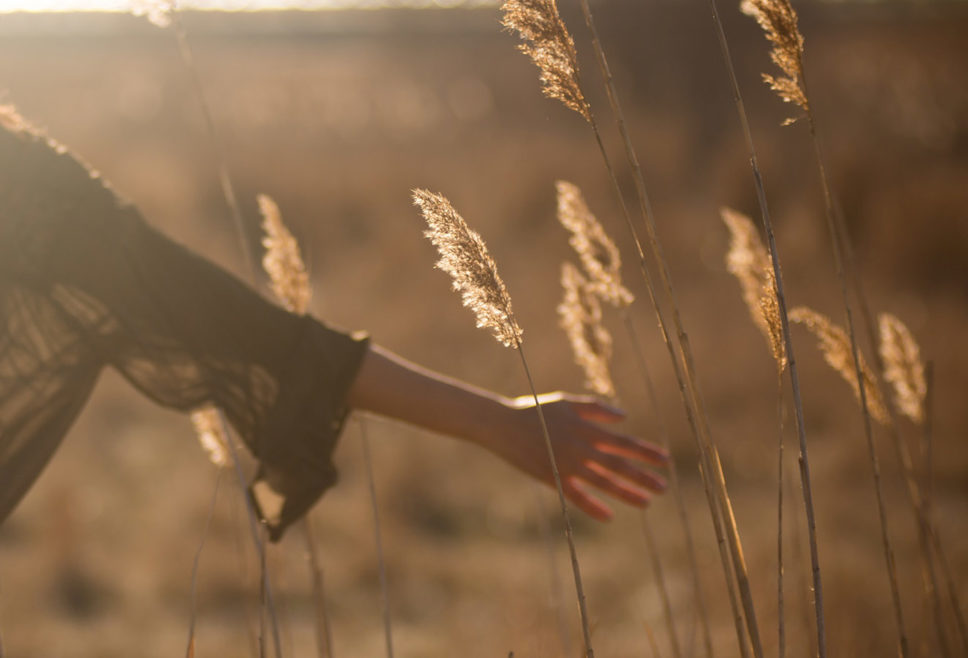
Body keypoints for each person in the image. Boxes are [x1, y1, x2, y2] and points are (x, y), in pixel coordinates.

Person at [0, 105, 667, 541]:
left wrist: (496, 421)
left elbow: (249, 332)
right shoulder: (30, 188)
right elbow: (257, 335)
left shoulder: (31, 190)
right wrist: (494, 420)